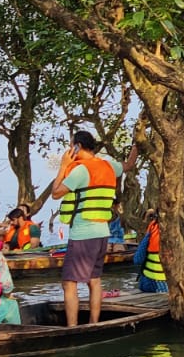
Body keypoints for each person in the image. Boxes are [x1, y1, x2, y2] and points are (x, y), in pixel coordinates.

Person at [50, 130, 119, 326]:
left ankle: (72, 328)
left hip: (83, 234)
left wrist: (63, 166)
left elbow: (56, 193)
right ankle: (93, 323)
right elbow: (127, 166)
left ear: (78, 146)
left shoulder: (81, 170)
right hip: (102, 232)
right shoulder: (108, 166)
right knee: (94, 280)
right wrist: (136, 150)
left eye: (72, 145)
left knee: (69, 283)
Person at [135, 211, 166, 293]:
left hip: (150, 283)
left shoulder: (153, 227)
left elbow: (137, 259)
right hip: (171, 284)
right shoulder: (183, 229)